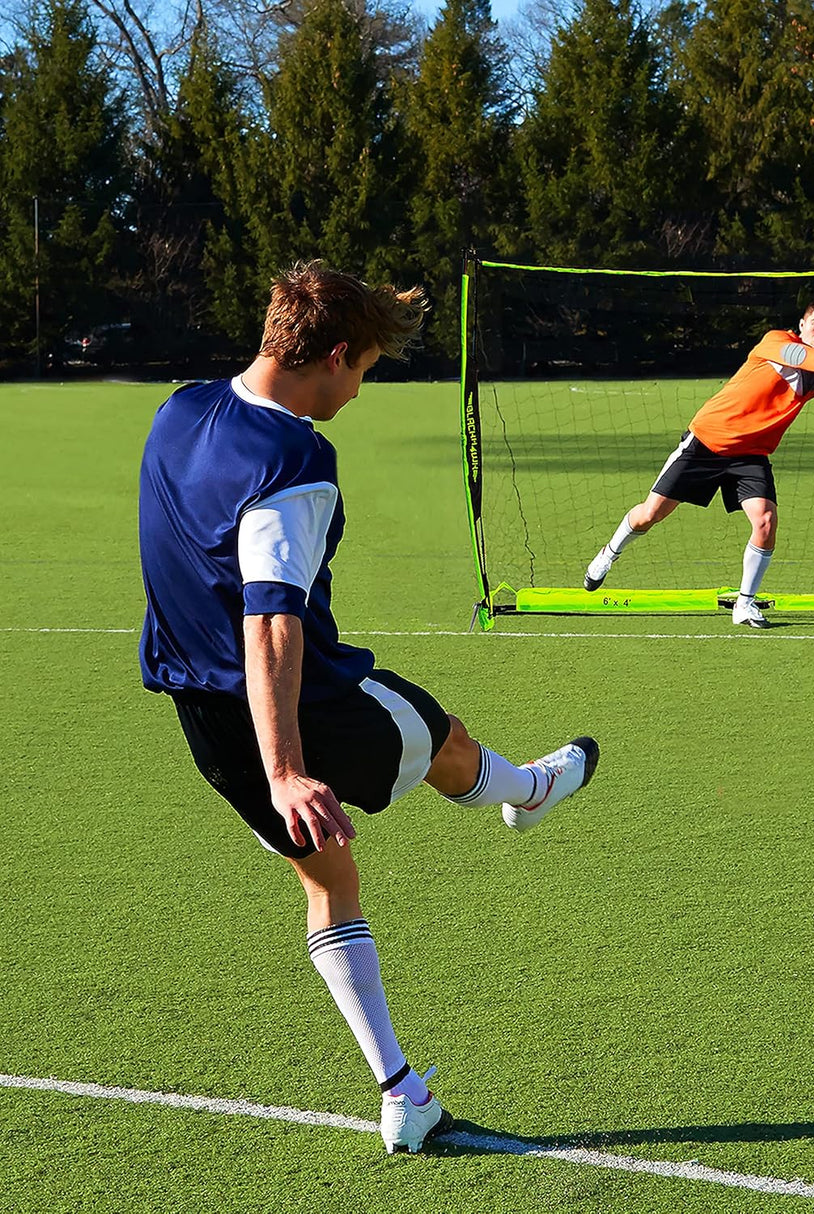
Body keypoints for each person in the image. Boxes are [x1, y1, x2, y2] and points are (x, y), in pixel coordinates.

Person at [138, 260, 599, 1155]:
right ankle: (525, 792)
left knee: (327, 878)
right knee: (440, 738)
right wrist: (288, 768)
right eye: (367, 368)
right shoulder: (297, 461)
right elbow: (272, 621)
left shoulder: (180, 408)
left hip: (197, 705)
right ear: (337, 354)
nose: (361, 387)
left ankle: (404, 1098)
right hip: (308, 702)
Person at [582, 299, 814, 627]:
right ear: (802, 324)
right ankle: (609, 554)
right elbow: (807, 357)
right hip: (707, 441)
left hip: (752, 455)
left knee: (765, 521)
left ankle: (744, 603)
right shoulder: (776, 341)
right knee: (650, 514)